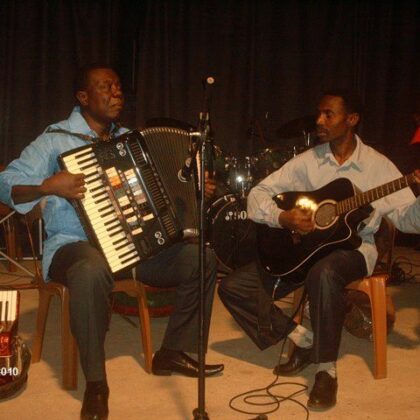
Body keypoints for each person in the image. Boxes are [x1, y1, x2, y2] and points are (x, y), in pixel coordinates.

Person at [0, 64, 222, 420]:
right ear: (83, 97)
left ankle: (172, 352)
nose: (117, 93)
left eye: (119, 87)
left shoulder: (133, 140)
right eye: (107, 87)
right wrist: (48, 186)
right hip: (74, 244)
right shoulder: (54, 139)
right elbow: (6, 183)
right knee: (90, 270)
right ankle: (97, 385)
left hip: (134, 246)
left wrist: (196, 191)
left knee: (202, 260)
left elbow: (163, 195)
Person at [218, 89, 420, 411]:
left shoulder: (378, 167)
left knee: (324, 272)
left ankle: (326, 370)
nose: (319, 121)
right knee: (232, 287)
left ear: (351, 120)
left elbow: (409, 220)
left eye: (329, 114)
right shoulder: (309, 160)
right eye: (319, 113)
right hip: (305, 248)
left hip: (353, 251)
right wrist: (283, 217)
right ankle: (302, 338)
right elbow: (259, 192)